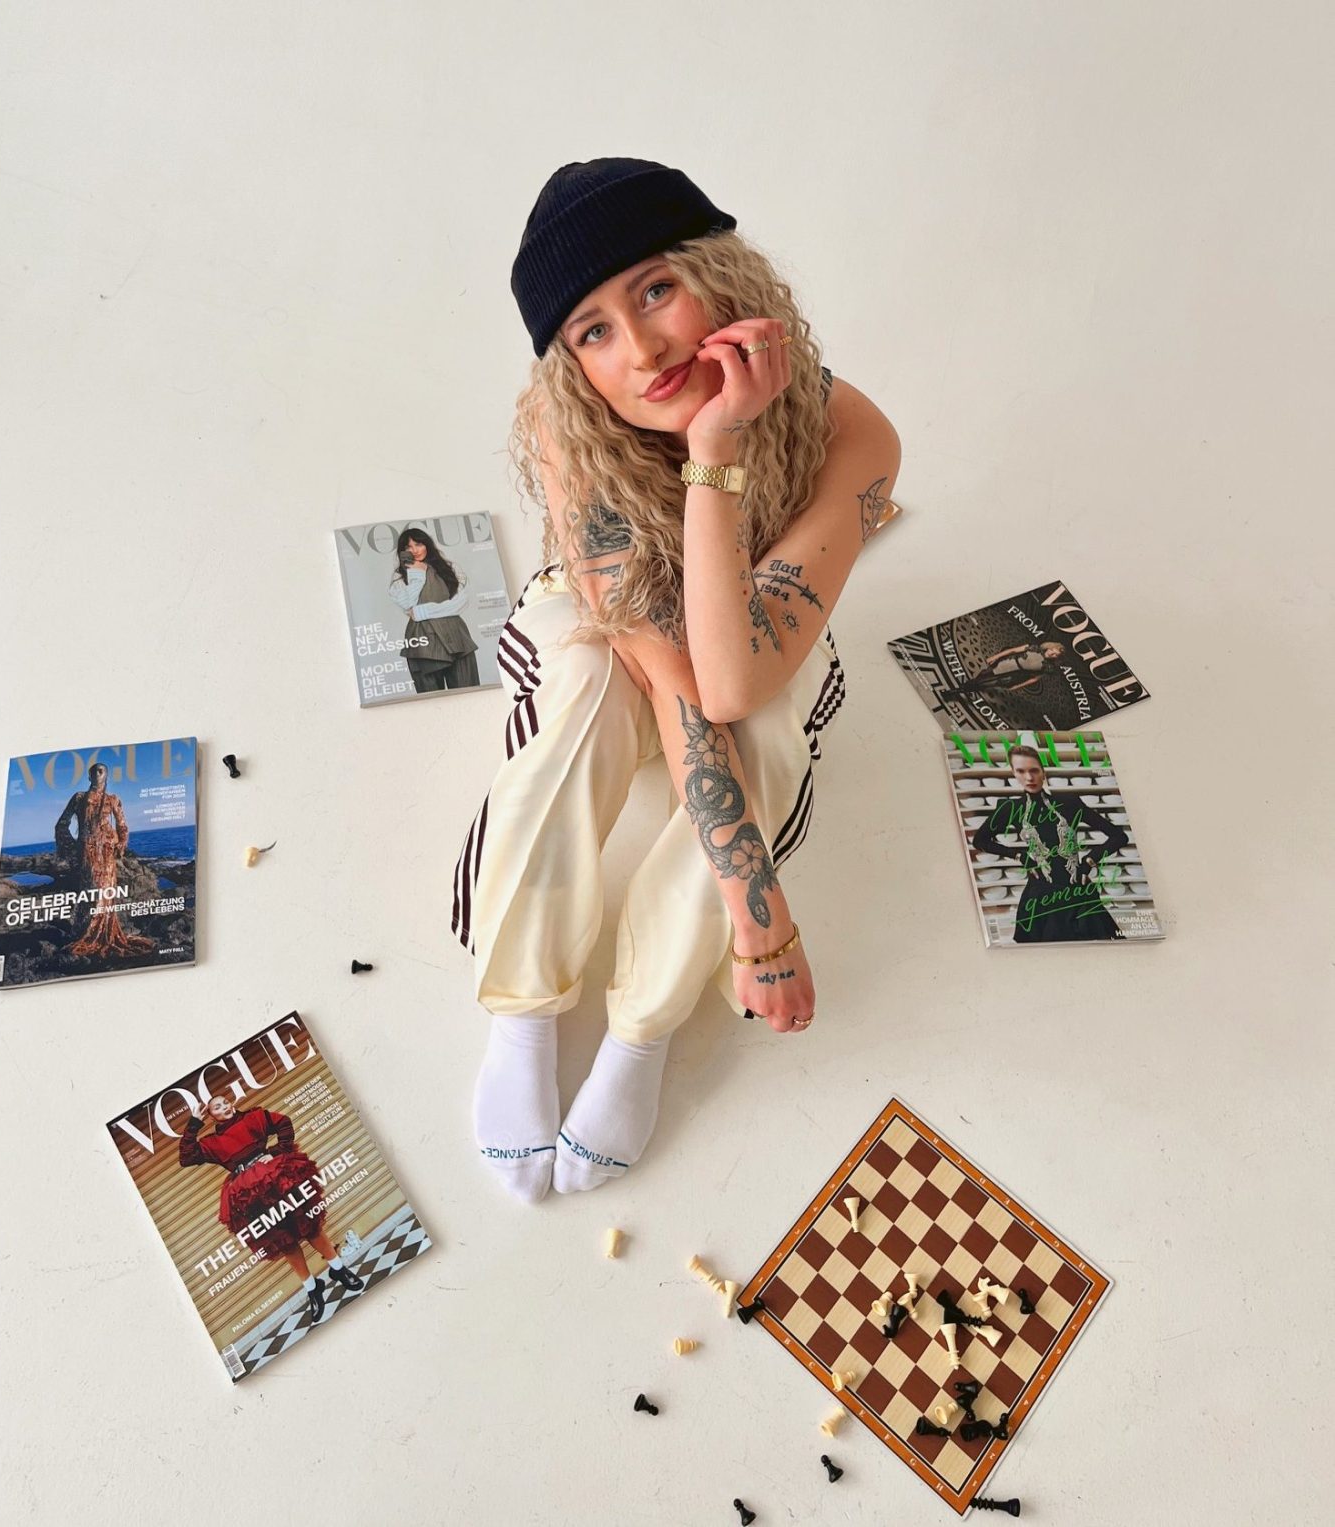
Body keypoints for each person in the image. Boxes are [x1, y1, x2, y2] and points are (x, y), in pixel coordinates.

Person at [452, 157, 902, 1201]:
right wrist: (763, 917)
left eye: (656, 289)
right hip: (616, 631)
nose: (643, 348)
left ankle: (642, 1031)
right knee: (585, 687)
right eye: (593, 331)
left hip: (753, 629)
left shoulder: (855, 434)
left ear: (721, 275)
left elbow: (732, 683)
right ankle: (522, 1015)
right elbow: (673, 675)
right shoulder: (569, 426)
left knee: (766, 730)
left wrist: (720, 448)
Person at [178, 1092, 364, 1323]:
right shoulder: (212, 1143)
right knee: (284, 1241)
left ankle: (338, 1268)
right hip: (249, 1196)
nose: (224, 1107)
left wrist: (275, 1152)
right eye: (217, 1107)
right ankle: (312, 1287)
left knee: (309, 1225)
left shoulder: (253, 1117)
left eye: (226, 1102)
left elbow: (283, 1122)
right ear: (211, 1115)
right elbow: (186, 1157)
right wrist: (194, 1123)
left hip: (277, 1178)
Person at [971, 744, 1128, 943]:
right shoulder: (1010, 808)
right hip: (1040, 897)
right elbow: (980, 840)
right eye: (1021, 771)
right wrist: (1020, 856)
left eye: (1034, 770)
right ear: (1013, 773)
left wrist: (1089, 861)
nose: (1029, 777)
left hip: (1077, 891)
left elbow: (1119, 836)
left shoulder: (1069, 802)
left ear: (1043, 772)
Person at [53, 761, 155, 960]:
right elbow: (61, 824)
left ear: (106, 776)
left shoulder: (113, 799)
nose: (97, 773)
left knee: (106, 892)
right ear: (89, 776)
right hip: (88, 853)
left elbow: (123, 826)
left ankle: (103, 932)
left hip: (106, 854)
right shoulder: (79, 798)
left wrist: (120, 844)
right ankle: (86, 932)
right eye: (94, 771)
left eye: (101, 771)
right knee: (90, 891)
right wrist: (74, 846)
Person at [386, 526, 481, 692]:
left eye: (418, 544)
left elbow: (461, 602)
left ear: (427, 545)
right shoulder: (399, 577)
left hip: (456, 636)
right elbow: (407, 604)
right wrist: (417, 574)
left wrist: (421, 612)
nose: (414, 550)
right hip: (423, 641)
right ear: (402, 551)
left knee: (468, 694)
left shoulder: (449, 568)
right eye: (408, 547)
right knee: (431, 699)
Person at [944, 640, 1066, 700]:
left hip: (1014, 676)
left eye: (1056, 655)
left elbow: (1034, 679)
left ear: (1057, 658)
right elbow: (1012, 650)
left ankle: (955, 692)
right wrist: (995, 657)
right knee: (982, 677)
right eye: (1052, 650)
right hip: (1006, 663)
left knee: (984, 683)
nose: (1052, 654)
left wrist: (1018, 686)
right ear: (1049, 647)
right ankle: (961, 690)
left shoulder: (1049, 667)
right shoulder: (1034, 647)